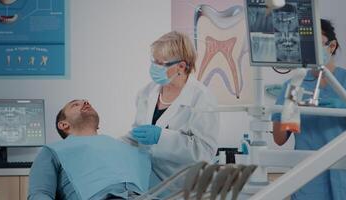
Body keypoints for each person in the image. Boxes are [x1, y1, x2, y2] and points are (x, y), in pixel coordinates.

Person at [272, 19, 346, 200]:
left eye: (316, 44)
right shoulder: (293, 84)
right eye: (305, 45)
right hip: (308, 180)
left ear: (332, 46)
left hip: (345, 176)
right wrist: (289, 112)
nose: (311, 51)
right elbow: (279, 139)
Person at [129, 31, 219, 184]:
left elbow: (204, 151)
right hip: (149, 182)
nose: (154, 67)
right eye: (153, 61)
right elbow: (138, 137)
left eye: (160, 63)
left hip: (184, 186)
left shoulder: (201, 98)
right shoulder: (146, 93)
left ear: (181, 66)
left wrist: (162, 137)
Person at [28, 99, 151, 200]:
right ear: (63, 124)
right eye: (75, 104)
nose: (86, 102)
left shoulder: (125, 147)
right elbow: (39, 194)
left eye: (86, 102)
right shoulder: (52, 151)